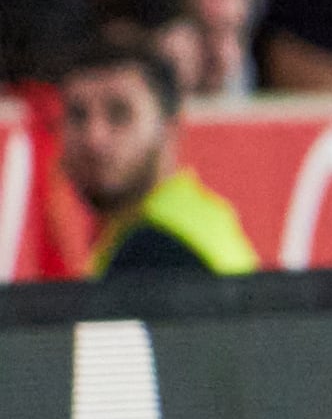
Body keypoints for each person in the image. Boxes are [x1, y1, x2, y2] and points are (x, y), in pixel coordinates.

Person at [58, 41, 259, 277]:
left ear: (170, 127)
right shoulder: (197, 218)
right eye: (78, 115)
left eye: (119, 113)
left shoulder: (156, 251)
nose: (94, 138)